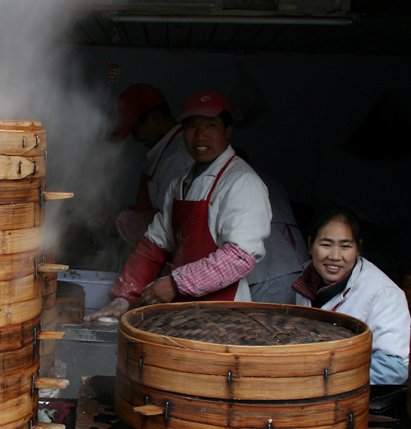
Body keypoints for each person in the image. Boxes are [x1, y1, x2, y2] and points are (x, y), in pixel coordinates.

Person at [86, 89, 272, 320]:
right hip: (181, 311)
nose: (200, 136)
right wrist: (124, 297)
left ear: (228, 131)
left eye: (211, 126)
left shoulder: (243, 182)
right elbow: (155, 244)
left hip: (222, 314)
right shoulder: (181, 182)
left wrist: (176, 283)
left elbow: (239, 258)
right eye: (192, 126)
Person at [292, 205, 410, 385]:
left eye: (345, 246)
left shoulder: (384, 293)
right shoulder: (305, 280)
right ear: (310, 245)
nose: (335, 256)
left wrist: (326, 378)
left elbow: (394, 369)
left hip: (354, 397)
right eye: (326, 245)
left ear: (359, 249)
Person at [109, 84, 194, 247]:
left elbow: (167, 220)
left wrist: (122, 221)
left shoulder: (177, 158)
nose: (135, 138)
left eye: (135, 130)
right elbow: (159, 203)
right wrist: (128, 210)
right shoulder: (165, 151)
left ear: (154, 117)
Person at [246, 169, 308, 304]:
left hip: (272, 265)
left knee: (263, 321)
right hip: (296, 260)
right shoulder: (269, 178)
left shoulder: (244, 176)